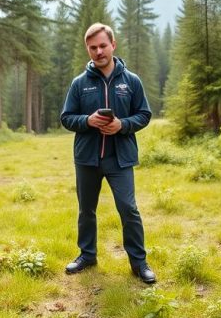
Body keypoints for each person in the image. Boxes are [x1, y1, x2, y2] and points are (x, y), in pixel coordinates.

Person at [60, 23, 155, 283]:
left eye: (103, 45)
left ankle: (139, 263)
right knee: (86, 210)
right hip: (87, 158)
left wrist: (122, 125)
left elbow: (144, 114)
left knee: (128, 209)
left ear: (113, 44)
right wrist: (88, 121)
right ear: (88, 50)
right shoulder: (80, 83)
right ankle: (87, 255)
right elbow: (66, 118)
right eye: (93, 47)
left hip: (120, 158)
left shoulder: (131, 81)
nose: (99, 51)